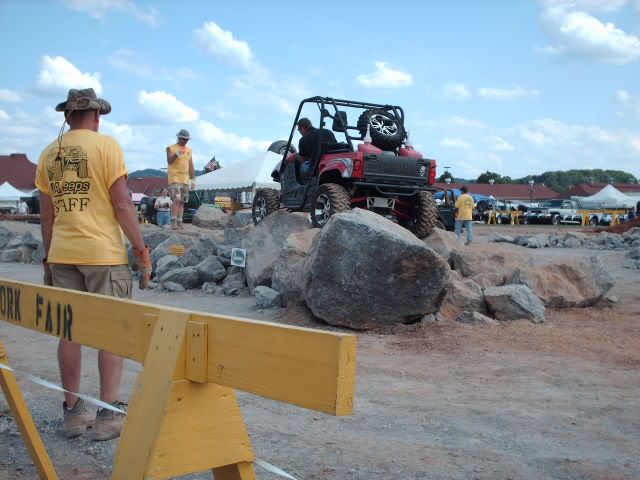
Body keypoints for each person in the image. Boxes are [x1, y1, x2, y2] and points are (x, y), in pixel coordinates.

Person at [35, 88, 152, 441]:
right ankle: (108, 415)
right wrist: (140, 249)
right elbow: (121, 204)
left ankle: (72, 413)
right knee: (111, 333)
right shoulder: (107, 147)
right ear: (97, 116)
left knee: (69, 332)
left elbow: (46, 214)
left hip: (63, 254)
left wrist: (48, 257)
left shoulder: (48, 153)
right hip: (103, 255)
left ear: (67, 116)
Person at [166, 129, 195, 229]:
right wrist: (176, 154)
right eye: (184, 139)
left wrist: (194, 178)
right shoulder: (170, 148)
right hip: (174, 178)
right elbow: (169, 161)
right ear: (179, 137)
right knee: (177, 198)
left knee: (182, 201)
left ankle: (179, 222)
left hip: (185, 179)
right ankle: (173, 221)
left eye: (187, 139)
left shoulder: (189, 150)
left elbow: (190, 165)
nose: (186, 141)